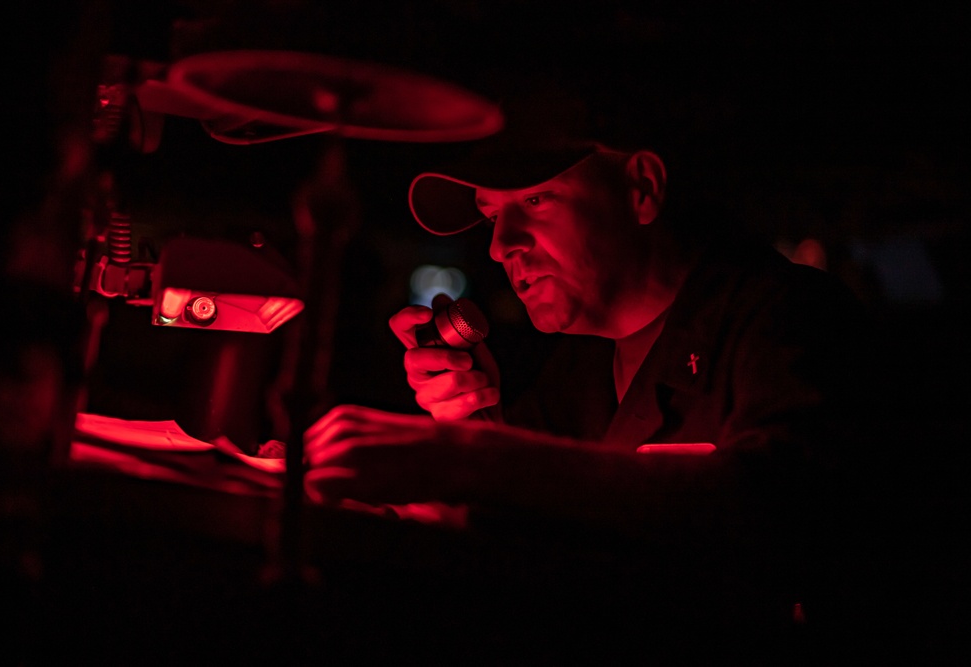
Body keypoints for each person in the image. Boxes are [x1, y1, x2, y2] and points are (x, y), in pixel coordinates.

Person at [301, 131, 889, 662]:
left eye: (534, 201)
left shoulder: (790, 316)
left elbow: (779, 511)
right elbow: (523, 541)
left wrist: (474, 456)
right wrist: (476, 420)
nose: (500, 246)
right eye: (491, 216)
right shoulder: (584, 360)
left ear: (642, 188)